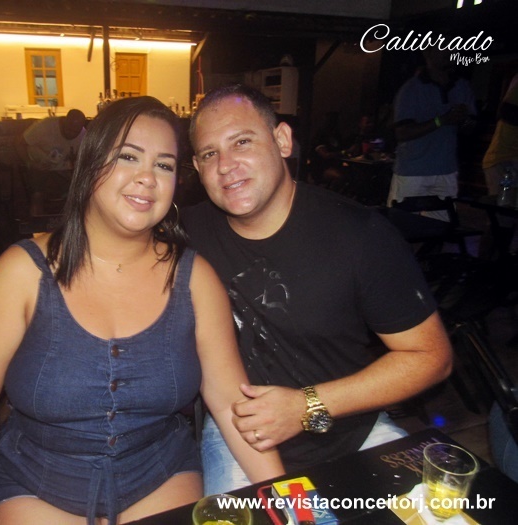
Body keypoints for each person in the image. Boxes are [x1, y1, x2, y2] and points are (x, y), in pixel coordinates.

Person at [0, 96, 283, 524]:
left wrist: (295, 506)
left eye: (164, 165)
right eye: (128, 156)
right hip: (38, 483)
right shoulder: (21, 274)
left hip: (159, 475)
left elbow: (235, 408)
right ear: (89, 164)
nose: (147, 178)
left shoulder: (195, 279)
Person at [183, 84, 453, 495]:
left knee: (446, 515)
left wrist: (305, 405)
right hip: (239, 433)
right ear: (196, 167)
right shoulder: (185, 233)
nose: (225, 165)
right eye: (209, 154)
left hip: (352, 427)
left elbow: (432, 357)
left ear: (282, 140)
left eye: (242, 142)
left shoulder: (359, 234)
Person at [387, 49, 476, 220]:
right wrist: (441, 120)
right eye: (443, 47)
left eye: (452, 46)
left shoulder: (462, 86)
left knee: (441, 228)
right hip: (412, 172)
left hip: (446, 170)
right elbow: (402, 132)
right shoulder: (411, 89)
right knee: (401, 225)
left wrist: (464, 119)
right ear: (428, 52)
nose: (449, 51)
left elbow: (470, 128)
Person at [15, 109, 86, 216]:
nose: (71, 134)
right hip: (38, 167)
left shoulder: (83, 136)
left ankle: (70, 221)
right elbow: (19, 143)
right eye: (68, 129)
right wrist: (30, 163)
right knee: (37, 194)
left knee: (80, 192)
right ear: (64, 121)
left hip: (62, 171)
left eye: (75, 132)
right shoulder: (45, 126)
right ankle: (38, 222)